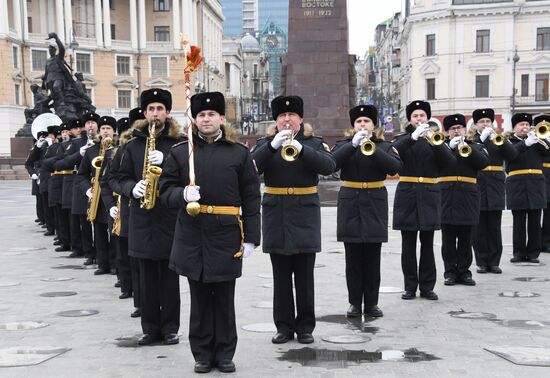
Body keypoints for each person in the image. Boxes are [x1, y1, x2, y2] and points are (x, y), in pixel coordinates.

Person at [159, 91, 261, 374]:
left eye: (211, 114)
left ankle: (226, 353)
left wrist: (252, 237)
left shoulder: (238, 153)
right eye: (201, 115)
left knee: (225, 299)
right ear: (195, 119)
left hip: (226, 234)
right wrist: (183, 193)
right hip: (192, 234)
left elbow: (252, 197)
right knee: (200, 298)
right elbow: (164, 191)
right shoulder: (181, 152)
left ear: (221, 118)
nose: (206, 119)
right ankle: (202, 354)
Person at [252, 95, 335, 344]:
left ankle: (306, 327)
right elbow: (250, 168)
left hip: (305, 214)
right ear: (276, 120)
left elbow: (329, 166)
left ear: (301, 119)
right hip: (276, 214)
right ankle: (284, 327)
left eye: (291, 116)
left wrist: (302, 149)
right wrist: (271, 147)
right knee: (280, 276)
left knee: (304, 276)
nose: (287, 120)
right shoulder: (265, 143)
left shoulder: (315, 143)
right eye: (281, 116)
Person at [114, 88, 182, 346]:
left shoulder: (179, 144)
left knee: (169, 278)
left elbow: (188, 175)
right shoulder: (131, 145)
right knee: (146, 279)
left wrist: (167, 161)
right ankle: (150, 328)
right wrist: (132, 188)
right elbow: (115, 178)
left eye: (160, 109)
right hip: (141, 219)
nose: (155, 114)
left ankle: (171, 328)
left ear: (167, 112)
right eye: (151, 109)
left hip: (168, 218)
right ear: (144, 113)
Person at [332, 105, 401, 318]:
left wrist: (372, 148)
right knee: (352, 258)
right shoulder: (344, 144)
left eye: (367, 122)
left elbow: (393, 167)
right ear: (353, 126)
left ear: (374, 125)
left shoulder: (384, 146)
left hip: (374, 201)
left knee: (373, 257)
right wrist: (353, 146)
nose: (363, 125)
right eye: (359, 122)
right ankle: (354, 302)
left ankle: (371, 303)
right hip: (350, 201)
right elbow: (331, 164)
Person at [392, 100, 456, 301]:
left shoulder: (436, 139)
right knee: (408, 244)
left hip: (429, 193)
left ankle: (427, 286)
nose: (419, 119)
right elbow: (392, 154)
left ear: (427, 118)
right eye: (415, 116)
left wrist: (435, 143)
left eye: (422, 115)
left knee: (427, 243)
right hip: (407, 193)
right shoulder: (402, 138)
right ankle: (410, 286)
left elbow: (450, 163)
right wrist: (411, 138)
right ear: (409, 120)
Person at [439, 114, 489, 286]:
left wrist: (466, 145)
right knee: (448, 238)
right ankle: (450, 272)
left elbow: (483, 163)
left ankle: (464, 272)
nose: (456, 131)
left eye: (459, 127)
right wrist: (447, 149)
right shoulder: (441, 147)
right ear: (447, 132)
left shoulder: (475, 146)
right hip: (447, 196)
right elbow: (436, 166)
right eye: (453, 129)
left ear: (465, 130)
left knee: (466, 237)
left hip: (468, 196)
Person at [470, 109, 517, 273]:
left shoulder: (499, 139)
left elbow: (512, 155)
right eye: (482, 122)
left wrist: (501, 140)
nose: (485, 124)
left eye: (488, 121)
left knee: (494, 226)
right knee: (479, 226)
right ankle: (482, 261)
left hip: (496, 185)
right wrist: (480, 140)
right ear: (476, 125)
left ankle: (494, 261)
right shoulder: (473, 140)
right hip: (479, 183)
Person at [506, 113, 550, 263]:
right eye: (521, 125)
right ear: (514, 128)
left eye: (526, 124)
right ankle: (518, 253)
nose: (524, 127)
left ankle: (533, 253)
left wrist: (543, 139)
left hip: (536, 183)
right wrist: (526, 143)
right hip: (517, 183)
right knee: (519, 220)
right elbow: (510, 155)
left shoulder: (537, 141)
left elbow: (547, 152)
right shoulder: (509, 141)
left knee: (534, 219)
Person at [77, 116, 117, 275]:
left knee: (113, 231)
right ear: (99, 131)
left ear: (114, 132)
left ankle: (115, 264)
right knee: (99, 231)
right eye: (103, 128)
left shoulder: (119, 148)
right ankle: (103, 263)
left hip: (113, 197)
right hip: (97, 197)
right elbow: (81, 174)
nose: (106, 131)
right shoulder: (92, 150)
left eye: (109, 128)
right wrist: (87, 190)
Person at [537, 114, 550, 253]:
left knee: (548, 213)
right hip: (540, 175)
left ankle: (546, 241)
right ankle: (538, 241)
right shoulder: (537, 140)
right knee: (537, 213)